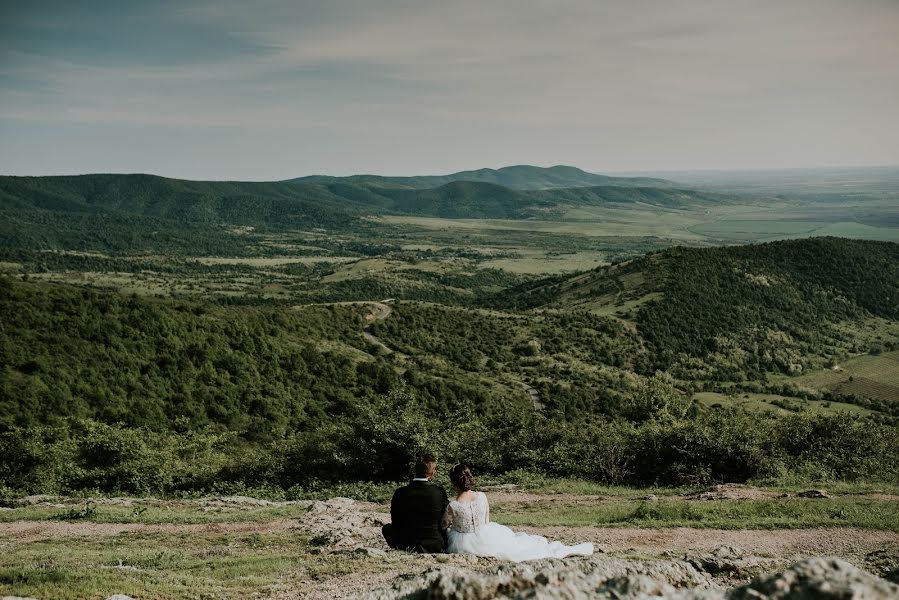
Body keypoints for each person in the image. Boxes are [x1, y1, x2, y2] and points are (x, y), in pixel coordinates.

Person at [442, 463, 593, 562]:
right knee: (516, 543)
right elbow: (486, 521)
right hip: (485, 534)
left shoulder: (453, 505)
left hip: (464, 542)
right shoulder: (482, 496)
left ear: (453, 483)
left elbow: (445, 525)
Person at [382, 453, 450, 553]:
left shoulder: (400, 492)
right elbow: (444, 521)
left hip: (406, 543)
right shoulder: (439, 492)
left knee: (386, 528)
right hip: (434, 544)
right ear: (433, 472)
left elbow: (395, 520)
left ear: (414, 470)